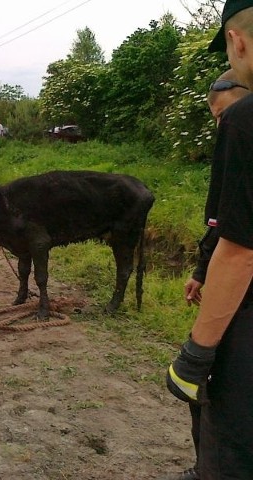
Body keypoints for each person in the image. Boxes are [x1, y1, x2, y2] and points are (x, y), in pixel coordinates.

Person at [166, 2, 253, 478]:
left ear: (236, 41)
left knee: (226, 414)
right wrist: (202, 270)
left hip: (245, 311)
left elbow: (240, 250)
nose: (222, 126)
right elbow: (222, 227)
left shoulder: (246, 124)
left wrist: (196, 353)